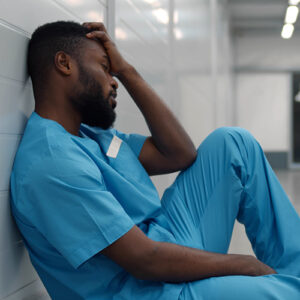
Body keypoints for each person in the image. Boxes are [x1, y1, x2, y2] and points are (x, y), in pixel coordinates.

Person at [10, 20, 300, 300]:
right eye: (104, 68)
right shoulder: (52, 163)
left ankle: (295, 268)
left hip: (168, 243)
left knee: (233, 143)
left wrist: (127, 70)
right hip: (147, 289)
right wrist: (244, 266)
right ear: (64, 64)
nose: (113, 82)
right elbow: (144, 260)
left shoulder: (89, 136)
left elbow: (179, 153)